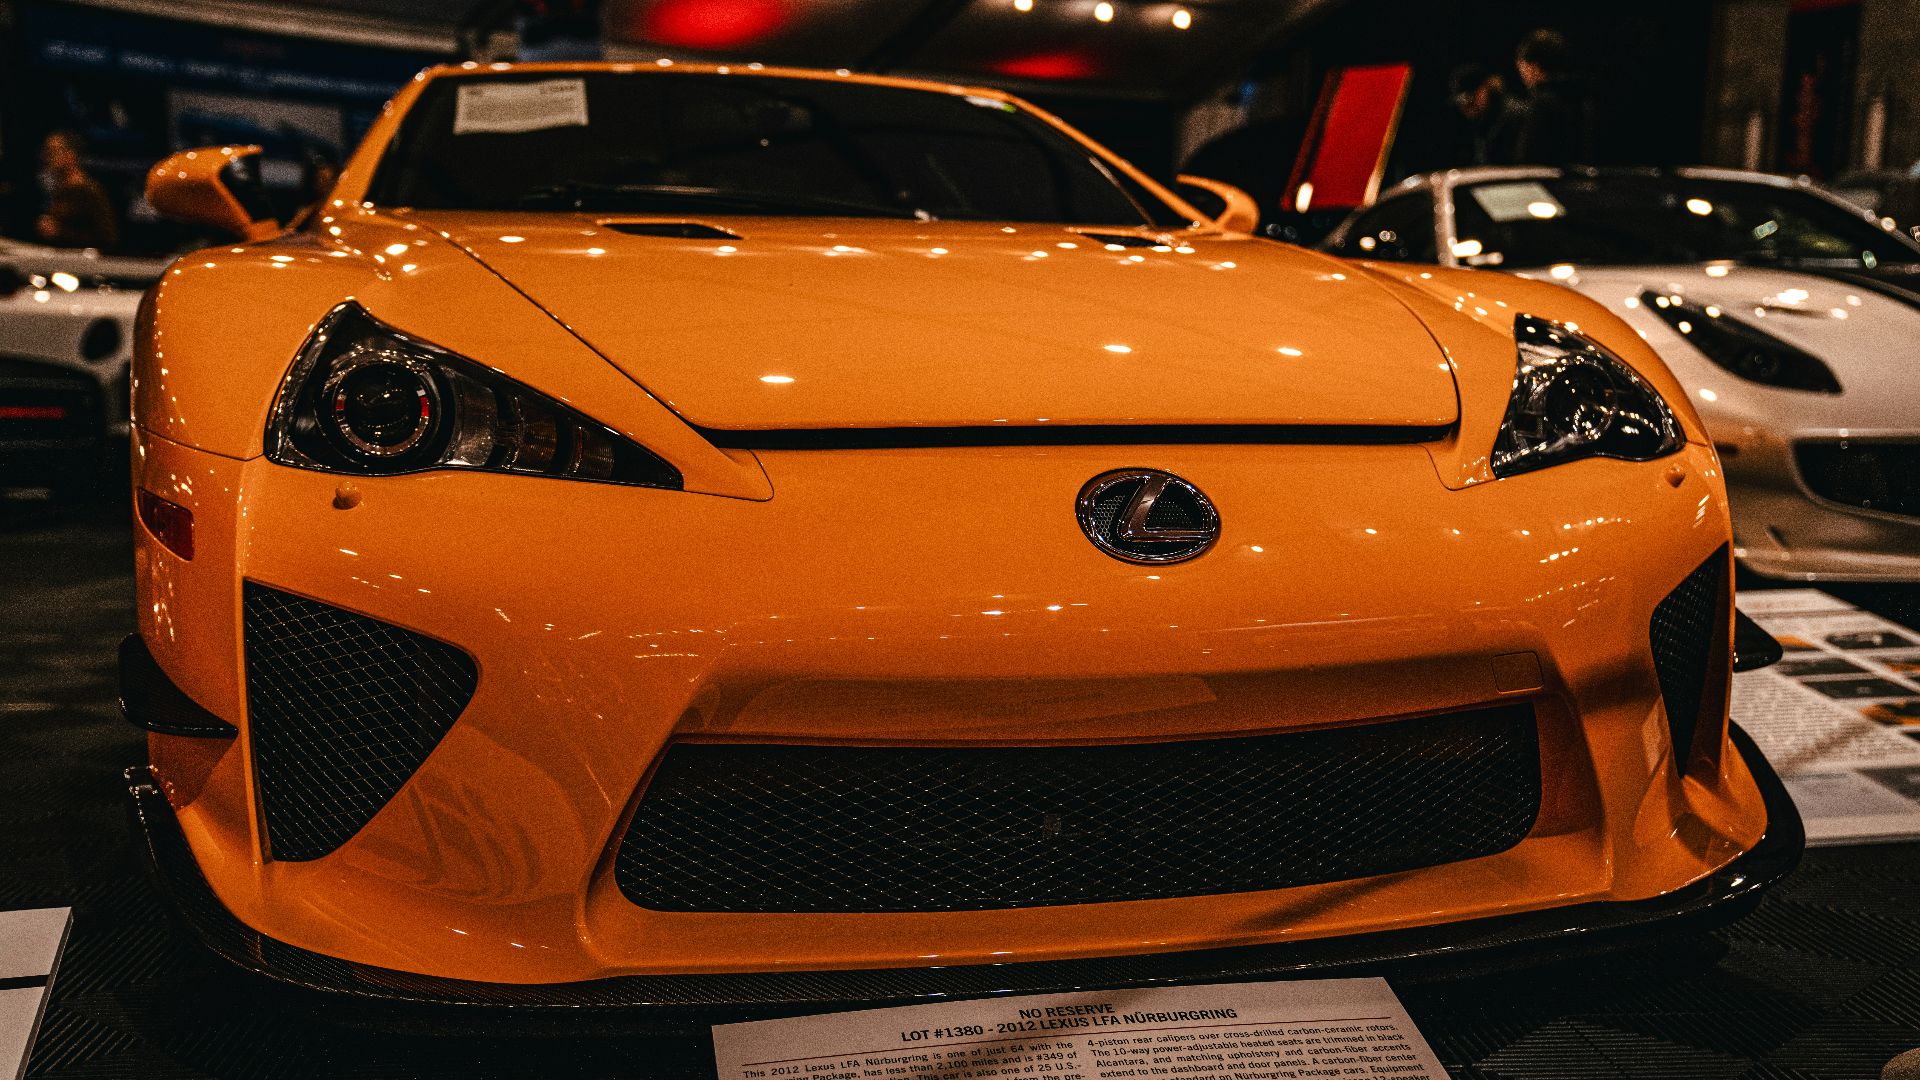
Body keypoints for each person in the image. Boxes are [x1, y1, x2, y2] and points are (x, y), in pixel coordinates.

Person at [1510, 29, 1595, 166]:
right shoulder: (1582, 97)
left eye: (1522, 67)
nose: (1522, 75)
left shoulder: (1542, 103)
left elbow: (1530, 157)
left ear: (1533, 67)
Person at [34, 130, 118, 250]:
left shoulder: (87, 191)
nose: (47, 158)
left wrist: (60, 231)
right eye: (46, 152)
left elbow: (107, 238)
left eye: (53, 152)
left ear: (71, 155)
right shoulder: (61, 189)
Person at [1446, 63, 1518, 166]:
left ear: (1487, 86)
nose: (1467, 106)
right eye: (1461, 102)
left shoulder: (1513, 116)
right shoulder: (1482, 122)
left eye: (1471, 96)